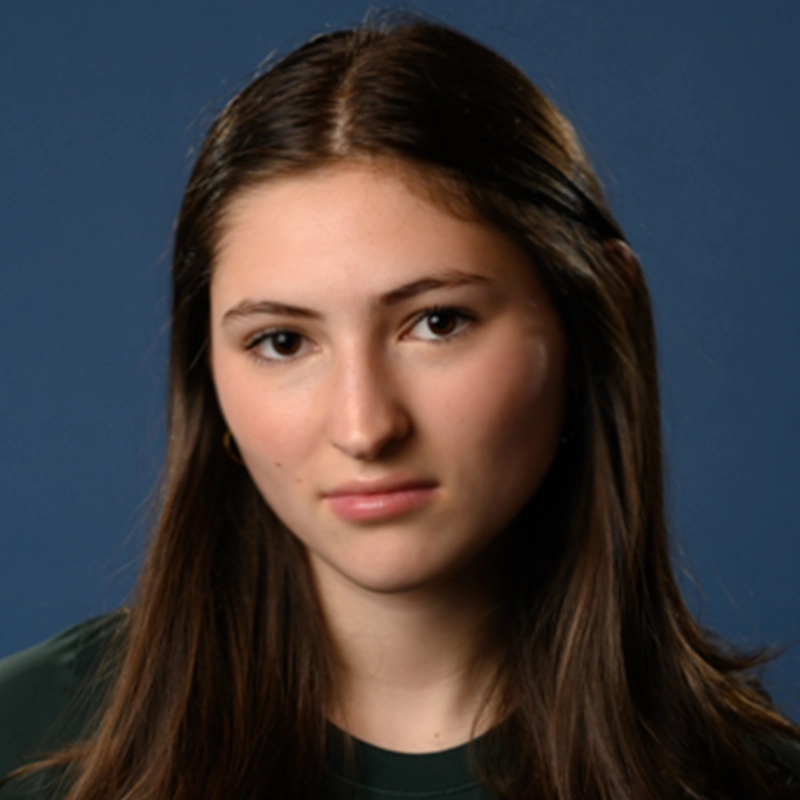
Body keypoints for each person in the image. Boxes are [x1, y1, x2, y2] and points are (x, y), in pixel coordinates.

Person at [0, 15, 798, 800]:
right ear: (206, 372)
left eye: (437, 323)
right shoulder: (27, 741)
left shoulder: (747, 779)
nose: (364, 427)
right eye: (282, 341)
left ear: (598, 319)